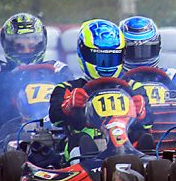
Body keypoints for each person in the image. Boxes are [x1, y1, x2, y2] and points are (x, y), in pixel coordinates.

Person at [48, 19, 147, 164]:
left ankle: (146, 164)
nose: (106, 65)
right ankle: (83, 168)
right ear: (84, 54)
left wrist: (142, 112)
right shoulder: (68, 88)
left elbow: (150, 121)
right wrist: (68, 106)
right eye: (99, 58)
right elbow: (55, 117)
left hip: (128, 147)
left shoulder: (134, 87)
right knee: (80, 139)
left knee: (143, 135)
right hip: (87, 151)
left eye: (112, 58)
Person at [0, 13, 72, 133]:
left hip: (53, 130)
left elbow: (72, 90)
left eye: (32, 46)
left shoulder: (57, 69)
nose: (27, 51)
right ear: (7, 44)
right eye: (19, 46)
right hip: (9, 132)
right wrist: (7, 80)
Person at [119, 15, 176, 151]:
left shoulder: (170, 76)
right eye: (133, 51)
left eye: (146, 49)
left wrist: (175, 94)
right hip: (129, 132)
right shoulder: (119, 79)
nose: (140, 56)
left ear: (157, 47)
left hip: (166, 129)